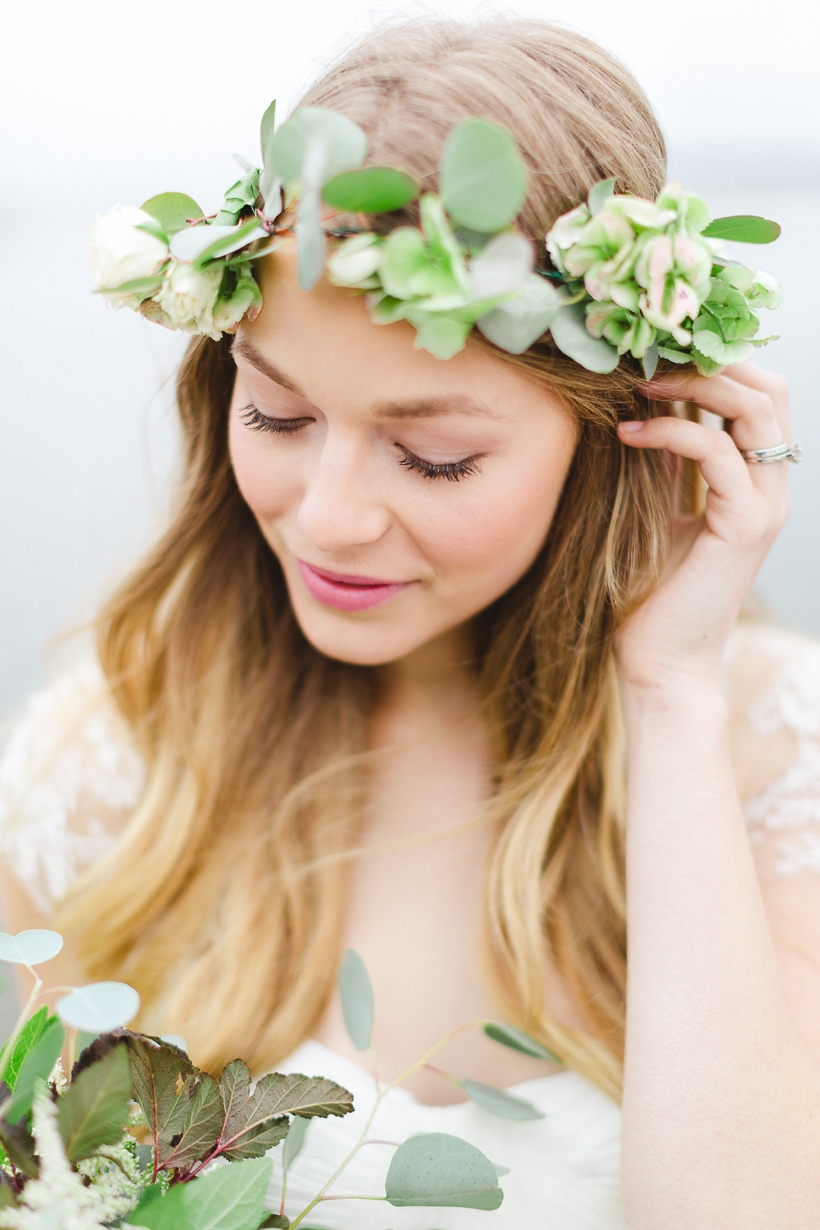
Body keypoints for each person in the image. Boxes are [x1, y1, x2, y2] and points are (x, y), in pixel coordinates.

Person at [1, 17, 819, 1229]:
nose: (326, 522)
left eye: (433, 459)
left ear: (623, 434)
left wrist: (669, 698)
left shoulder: (772, 756)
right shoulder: (113, 756)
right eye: (277, 418)